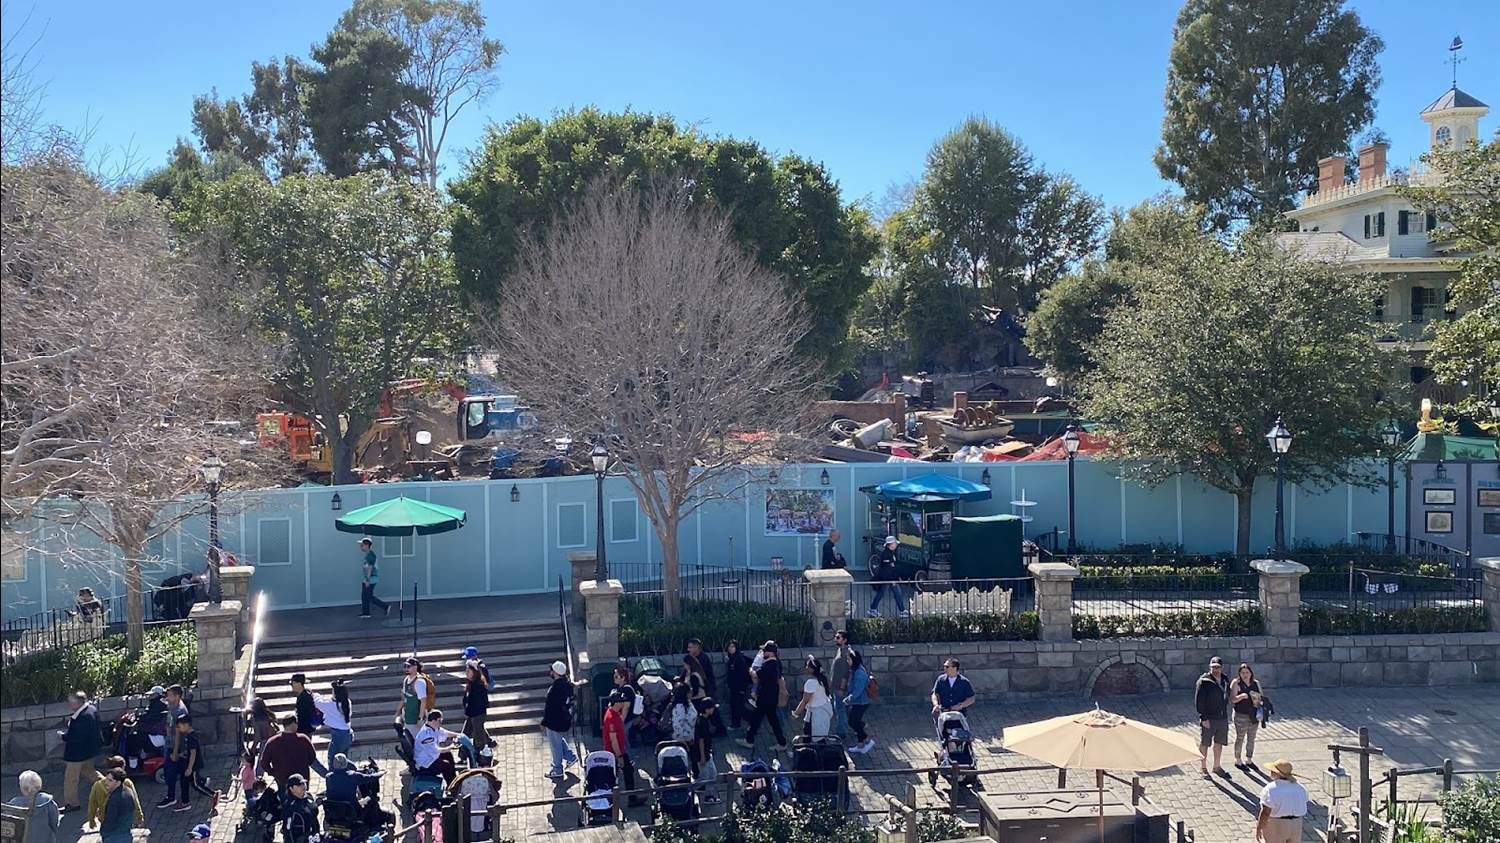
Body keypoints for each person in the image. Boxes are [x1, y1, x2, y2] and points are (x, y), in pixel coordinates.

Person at [58, 691, 103, 813]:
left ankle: (72, 803)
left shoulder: (81, 718)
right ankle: (110, 787)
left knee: (71, 779)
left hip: (77, 754)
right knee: (89, 771)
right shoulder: (92, 710)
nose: (69, 704)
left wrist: (63, 736)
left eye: (71, 702)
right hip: (89, 751)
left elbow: (75, 737)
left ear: (77, 703)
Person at [739, 641, 787, 750]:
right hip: (770, 696)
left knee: (759, 719)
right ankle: (781, 742)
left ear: (771, 652)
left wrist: (751, 671)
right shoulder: (776, 663)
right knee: (766, 720)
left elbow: (757, 676)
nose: (763, 653)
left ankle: (750, 740)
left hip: (766, 697)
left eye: (765, 651)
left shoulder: (770, 665)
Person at [257, 714, 327, 789]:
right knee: (302, 795)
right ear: (294, 724)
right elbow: (312, 758)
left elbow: (264, 762)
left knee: (283, 795)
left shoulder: (272, 741)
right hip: (302, 779)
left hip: (282, 779)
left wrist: (274, 773)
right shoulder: (303, 739)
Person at [167, 715, 220, 811]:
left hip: (193, 765)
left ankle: (213, 794)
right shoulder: (188, 736)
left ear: (186, 725)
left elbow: (193, 753)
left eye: (179, 726)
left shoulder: (191, 737)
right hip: (188, 764)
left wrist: (190, 768)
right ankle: (185, 802)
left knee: (196, 784)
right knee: (185, 782)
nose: (178, 729)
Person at [1255, 759, 1308, 843]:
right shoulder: (1300, 788)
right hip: (1296, 824)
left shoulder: (1270, 789)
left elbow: (1265, 812)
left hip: (1276, 824)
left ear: (1276, 773)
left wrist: (1259, 827)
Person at [1195, 656, 1231, 778]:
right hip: (1209, 718)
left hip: (1222, 717)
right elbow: (1199, 702)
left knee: (1219, 742)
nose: (1216, 669)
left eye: (1218, 667)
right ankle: (1203, 767)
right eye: (1213, 667)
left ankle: (1216, 766)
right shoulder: (1203, 681)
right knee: (1205, 743)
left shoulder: (1225, 679)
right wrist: (1203, 718)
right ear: (1210, 667)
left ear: (1221, 668)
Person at [541, 660, 578, 779]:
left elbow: (550, 708)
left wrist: (544, 722)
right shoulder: (567, 685)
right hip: (563, 718)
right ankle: (571, 757)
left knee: (555, 745)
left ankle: (557, 769)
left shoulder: (555, 689)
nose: (550, 672)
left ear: (556, 673)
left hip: (554, 721)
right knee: (558, 739)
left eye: (552, 670)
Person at [413, 710, 472, 784]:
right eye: (440, 721)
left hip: (429, 756)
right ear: (434, 721)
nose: (441, 723)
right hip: (425, 763)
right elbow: (435, 750)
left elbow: (445, 733)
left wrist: (459, 735)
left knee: (448, 754)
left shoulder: (433, 728)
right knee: (446, 765)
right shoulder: (426, 735)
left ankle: (454, 780)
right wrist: (449, 747)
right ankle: (451, 786)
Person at [156, 684, 190, 808]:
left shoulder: (180, 711)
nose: (167, 697)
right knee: (171, 772)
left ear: (177, 696)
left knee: (172, 773)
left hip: (176, 747)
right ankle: (172, 796)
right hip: (169, 743)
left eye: (170, 695)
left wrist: (175, 752)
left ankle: (174, 798)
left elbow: (179, 734)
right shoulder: (172, 706)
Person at [85, 758, 142, 829]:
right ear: (122, 768)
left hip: (105, 818)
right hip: (124, 818)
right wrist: (139, 816)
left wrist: (91, 820)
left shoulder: (98, 785)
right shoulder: (127, 782)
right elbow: (135, 800)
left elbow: (92, 804)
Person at [685, 638, 726, 736]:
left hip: (705, 690)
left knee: (710, 710)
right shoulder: (694, 658)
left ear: (696, 647)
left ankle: (719, 730)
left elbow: (700, 677)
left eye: (690, 647)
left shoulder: (702, 659)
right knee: (709, 710)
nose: (688, 649)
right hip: (702, 689)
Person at [7, 770, 60, 843]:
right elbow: (54, 822)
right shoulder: (47, 802)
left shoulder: (15, 804)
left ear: (22, 788)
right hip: (44, 839)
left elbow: (9, 823)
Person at [1231, 663, 1264, 771]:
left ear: (1251, 673)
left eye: (1247, 672)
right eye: (1242, 673)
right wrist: (1240, 696)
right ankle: (1238, 760)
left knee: (1251, 738)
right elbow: (1232, 699)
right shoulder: (1236, 683)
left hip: (1254, 715)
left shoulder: (1256, 683)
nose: (1245, 675)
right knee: (1240, 737)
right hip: (1241, 715)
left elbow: (1262, 698)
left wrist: (1258, 700)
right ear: (1239, 674)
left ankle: (1249, 759)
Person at [314, 680, 354, 769]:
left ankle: (334, 775)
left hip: (338, 736)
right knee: (343, 760)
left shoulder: (331, 705)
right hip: (347, 734)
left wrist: (314, 694)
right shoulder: (347, 702)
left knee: (333, 761)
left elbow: (318, 702)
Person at [792, 656, 834, 738]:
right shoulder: (822, 679)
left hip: (816, 714)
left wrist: (796, 713)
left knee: (815, 737)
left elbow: (804, 701)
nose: (806, 668)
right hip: (823, 711)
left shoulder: (811, 683)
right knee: (817, 736)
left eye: (807, 666)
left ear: (812, 669)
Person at [867, 536, 909, 618]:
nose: (896, 545)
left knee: (885, 593)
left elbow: (891, 567)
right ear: (891, 544)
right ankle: (901, 610)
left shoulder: (890, 553)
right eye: (895, 543)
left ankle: (873, 609)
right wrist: (892, 579)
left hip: (888, 577)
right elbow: (887, 568)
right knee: (891, 593)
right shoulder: (886, 554)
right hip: (887, 578)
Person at [844, 649, 875, 754]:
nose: (847, 661)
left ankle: (867, 740)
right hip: (858, 702)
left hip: (861, 702)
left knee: (853, 721)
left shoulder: (860, 673)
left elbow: (857, 691)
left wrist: (848, 700)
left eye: (849, 659)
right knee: (855, 721)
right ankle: (861, 744)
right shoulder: (855, 670)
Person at [394, 657, 432, 739]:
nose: (406, 669)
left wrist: (420, 719)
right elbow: (403, 698)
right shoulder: (406, 680)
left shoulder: (419, 682)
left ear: (415, 667)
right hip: (407, 716)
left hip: (415, 719)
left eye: (408, 666)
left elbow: (423, 702)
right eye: (405, 666)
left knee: (417, 741)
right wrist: (398, 711)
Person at [462, 660, 493, 756]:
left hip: (477, 714)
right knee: (465, 734)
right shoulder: (470, 683)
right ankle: (463, 755)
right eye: (466, 671)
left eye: (468, 671)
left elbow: (477, 702)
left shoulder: (478, 685)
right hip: (471, 714)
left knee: (478, 736)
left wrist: (468, 712)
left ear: (474, 672)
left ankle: (480, 755)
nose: (466, 673)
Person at [693, 697, 721, 803]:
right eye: (712, 708)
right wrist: (703, 757)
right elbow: (701, 740)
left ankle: (702, 792)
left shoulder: (702, 719)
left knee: (710, 775)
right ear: (707, 709)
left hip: (705, 753)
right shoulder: (702, 722)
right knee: (707, 777)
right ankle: (707, 797)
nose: (713, 710)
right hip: (703, 754)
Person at [278, 774, 320, 842]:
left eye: (303, 783)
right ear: (291, 788)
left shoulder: (309, 796)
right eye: (299, 785)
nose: (303, 786)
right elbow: (288, 831)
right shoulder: (289, 807)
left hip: (314, 837)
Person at [97, 770, 135, 843]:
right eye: (106, 779)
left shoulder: (114, 799)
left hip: (113, 837)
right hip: (126, 834)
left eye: (110, 780)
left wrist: (101, 819)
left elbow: (110, 822)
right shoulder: (128, 791)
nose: (106, 782)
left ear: (118, 782)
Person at [722, 640, 752, 730]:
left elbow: (743, 675)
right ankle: (735, 724)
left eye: (733, 647)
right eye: (729, 646)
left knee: (739, 706)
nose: (730, 648)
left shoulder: (739, 659)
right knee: (734, 706)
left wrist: (742, 688)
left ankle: (752, 719)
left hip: (739, 687)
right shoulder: (731, 658)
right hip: (733, 687)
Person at [358, 538, 390, 618]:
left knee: (369, 596)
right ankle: (366, 613)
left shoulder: (371, 555)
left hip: (371, 579)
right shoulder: (368, 555)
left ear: (367, 545)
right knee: (365, 596)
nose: (361, 547)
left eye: (362, 545)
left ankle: (385, 607)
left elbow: (370, 568)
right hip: (368, 578)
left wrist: (367, 580)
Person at [829, 629, 851, 739]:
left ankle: (841, 732)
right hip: (835, 686)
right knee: (842, 709)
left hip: (839, 688)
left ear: (844, 640)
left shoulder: (844, 654)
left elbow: (845, 674)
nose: (835, 639)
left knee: (840, 709)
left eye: (838, 637)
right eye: (835, 637)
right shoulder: (840, 650)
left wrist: (842, 689)